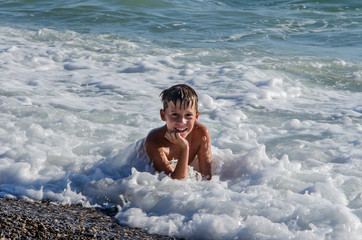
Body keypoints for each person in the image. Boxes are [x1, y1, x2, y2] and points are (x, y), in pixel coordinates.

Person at [145, 84, 212, 180]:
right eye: (175, 114)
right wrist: (184, 148)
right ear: (163, 115)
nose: (181, 122)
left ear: (196, 117)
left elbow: (207, 178)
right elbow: (174, 182)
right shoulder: (154, 142)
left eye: (188, 115)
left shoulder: (201, 134)